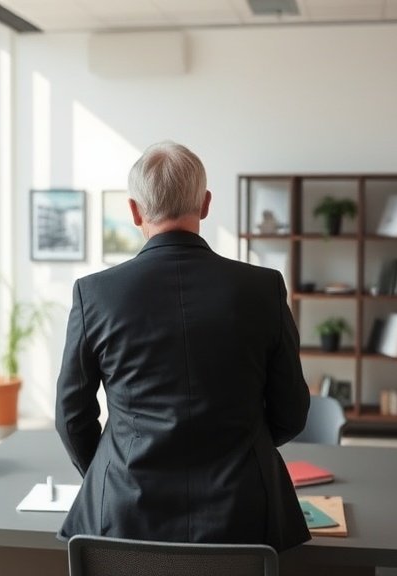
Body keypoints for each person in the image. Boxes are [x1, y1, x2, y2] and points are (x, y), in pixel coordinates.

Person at [54, 140, 311, 553]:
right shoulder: (262, 288)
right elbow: (292, 412)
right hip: (242, 514)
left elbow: (71, 416)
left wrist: (109, 469)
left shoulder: (95, 295)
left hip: (125, 516)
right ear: (205, 204)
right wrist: (243, 449)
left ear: (135, 210)